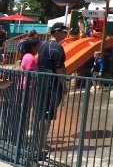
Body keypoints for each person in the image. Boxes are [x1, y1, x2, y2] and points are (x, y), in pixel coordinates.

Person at [36, 23, 69, 153]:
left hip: (41, 81)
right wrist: (63, 85)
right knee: (47, 115)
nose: (66, 34)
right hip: (52, 84)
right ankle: (40, 145)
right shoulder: (57, 47)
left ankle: (41, 143)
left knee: (42, 113)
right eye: (64, 31)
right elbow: (60, 69)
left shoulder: (43, 44)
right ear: (56, 32)